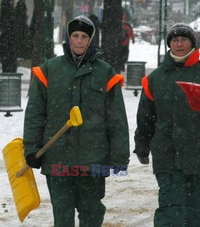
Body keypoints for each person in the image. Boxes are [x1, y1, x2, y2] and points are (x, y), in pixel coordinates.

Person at [23, 15, 130, 227]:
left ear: (91, 40)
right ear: (68, 38)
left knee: (91, 215)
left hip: (93, 160)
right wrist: (31, 148)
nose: (79, 41)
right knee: (62, 217)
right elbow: (35, 114)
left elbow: (116, 119)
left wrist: (119, 156)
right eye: (75, 36)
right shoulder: (49, 70)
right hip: (57, 159)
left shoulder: (105, 72)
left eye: (84, 37)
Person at [134, 23, 200, 227]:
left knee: (197, 212)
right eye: (175, 40)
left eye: (184, 39)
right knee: (170, 211)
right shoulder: (155, 79)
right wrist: (142, 145)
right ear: (169, 44)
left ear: (192, 43)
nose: (179, 44)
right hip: (168, 154)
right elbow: (146, 118)